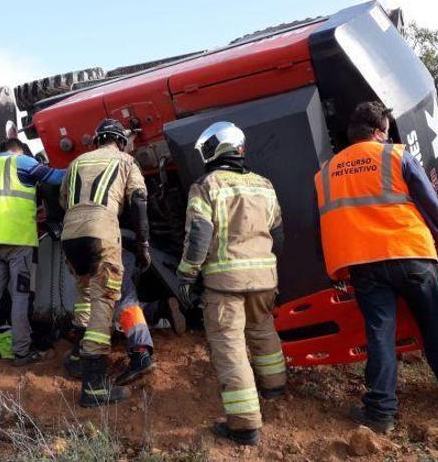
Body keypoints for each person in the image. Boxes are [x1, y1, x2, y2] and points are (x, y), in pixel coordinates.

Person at [314, 101, 438, 434]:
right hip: (410, 253)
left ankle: (381, 413)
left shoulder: (327, 171)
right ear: (378, 132)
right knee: (436, 327)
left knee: (380, 336)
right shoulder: (395, 156)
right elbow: (430, 203)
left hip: (363, 264)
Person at [176, 122, 286, 447]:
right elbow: (277, 233)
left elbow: (199, 235)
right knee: (263, 330)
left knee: (230, 345)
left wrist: (186, 275)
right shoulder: (264, 185)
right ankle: (274, 388)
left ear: (213, 150)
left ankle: (245, 426)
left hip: (226, 282)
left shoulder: (206, 185)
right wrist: (266, 265)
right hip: (264, 279)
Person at [59, 118, 151, 407]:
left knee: (86, 293)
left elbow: (63, 199)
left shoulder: (77, 162)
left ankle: (76, 356)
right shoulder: (125, 161)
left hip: (70, 234)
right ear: (121, 141)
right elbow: (138, 200)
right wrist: (143, 242)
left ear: (97, 139)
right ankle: (94, 385)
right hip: (101, 233)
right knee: (105, 300)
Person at [0, 138, 65, 367]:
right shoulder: (20, 161)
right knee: (20, 296)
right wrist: (81, 165)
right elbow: (54, 177)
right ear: (18, 149)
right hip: (18, 239)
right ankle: (22, 352)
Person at [63, 245, 157, 386]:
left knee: (123, 299)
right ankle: (159, 310)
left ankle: (140, 352)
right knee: (122, 297)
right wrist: (142, 246)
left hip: (105, 251)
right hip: (119, 248)